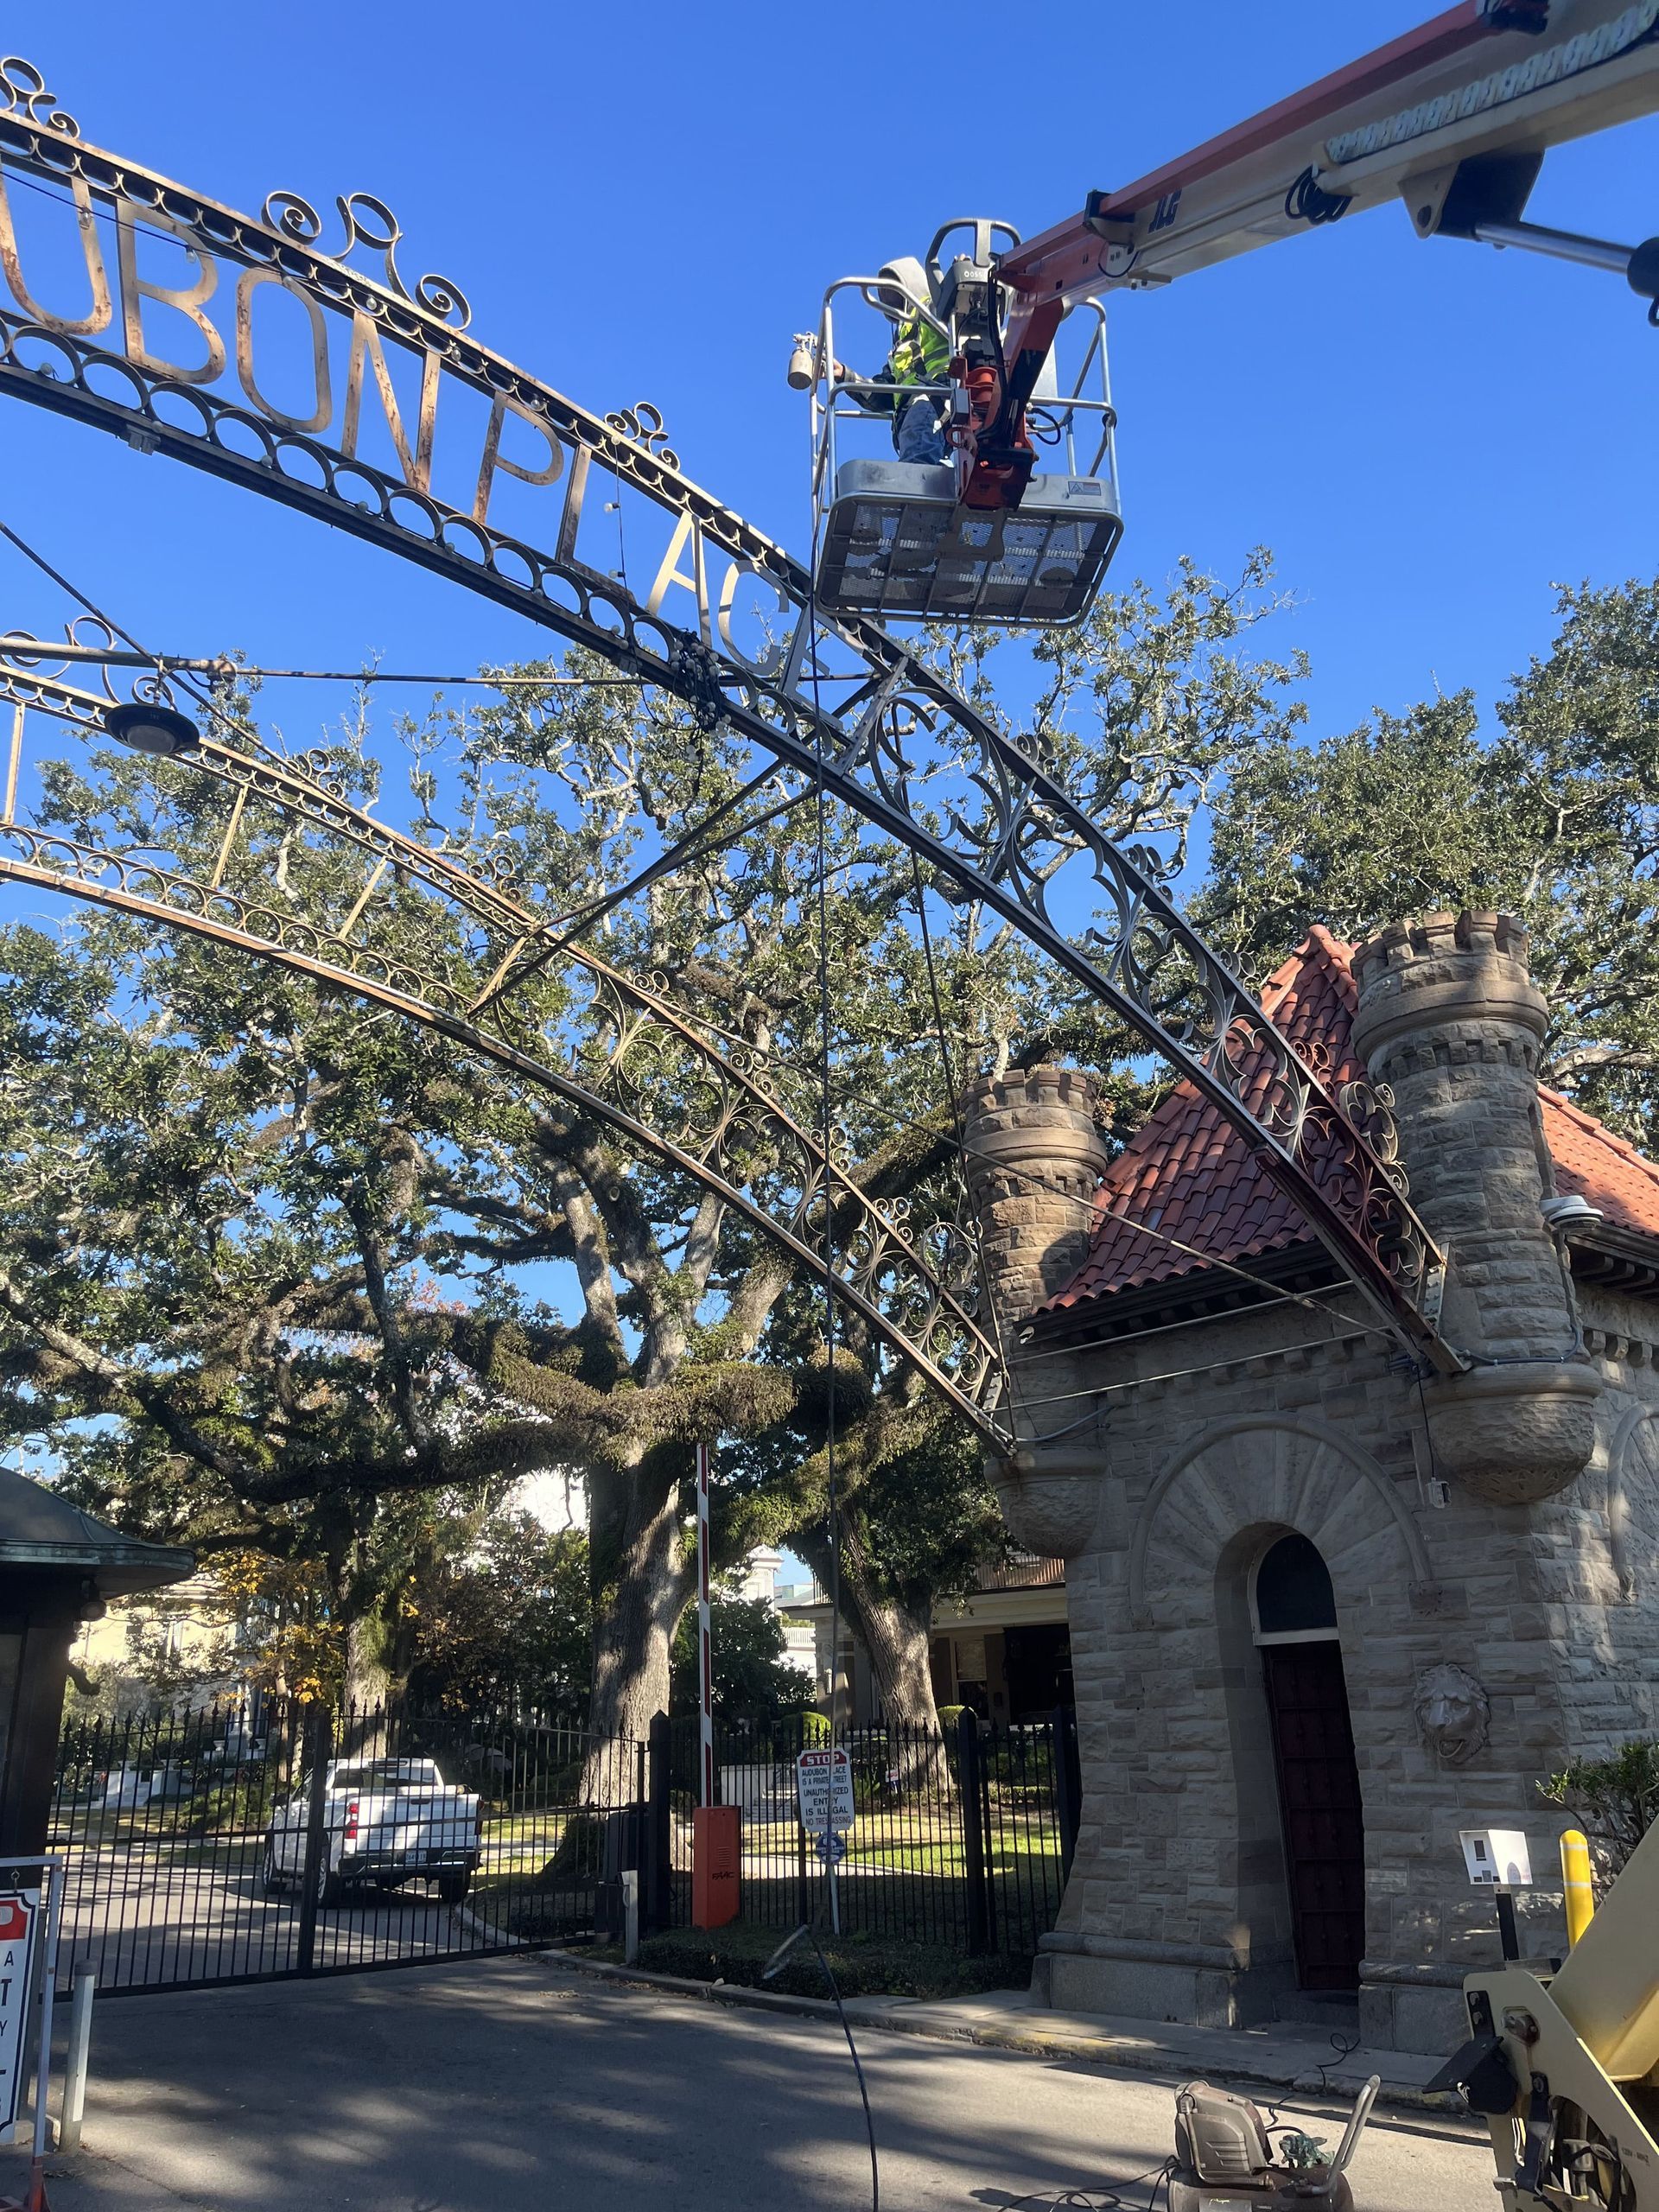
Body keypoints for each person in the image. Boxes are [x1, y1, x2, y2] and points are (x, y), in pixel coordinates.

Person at [836, 256, 950, 465]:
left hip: (938, 397)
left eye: (894, 294)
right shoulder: (901, 344)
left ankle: (915, 489)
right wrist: (844, 375)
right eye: (885, 299)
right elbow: (883, 392)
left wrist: (960, 288)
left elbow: (963, 320)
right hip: (923, 407)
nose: (889, 304)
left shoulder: (933, 308)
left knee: (918, 456)